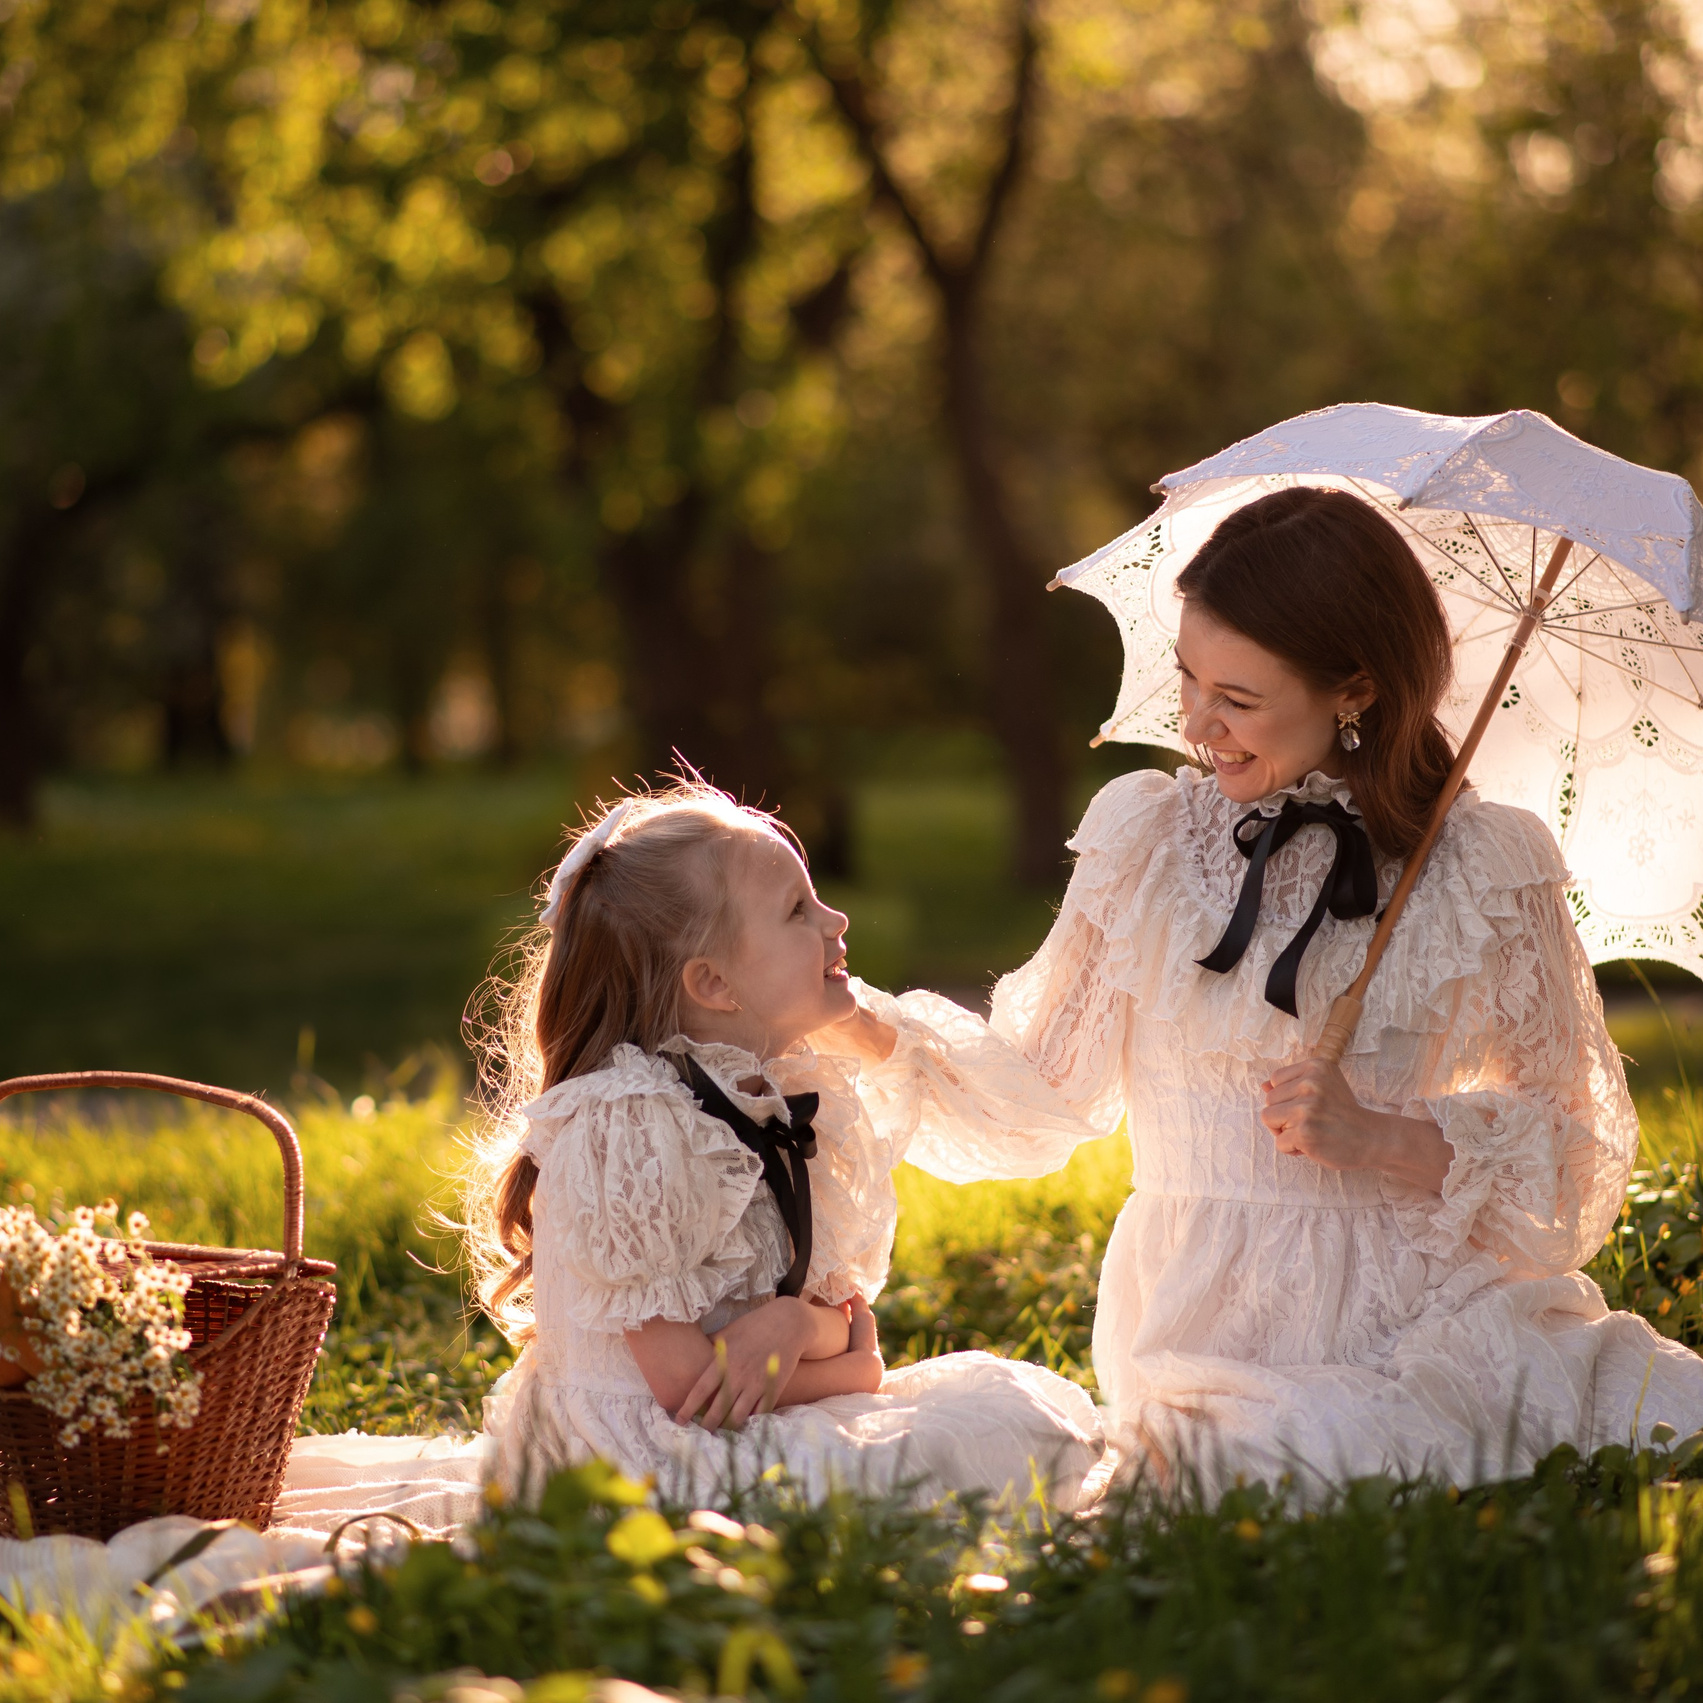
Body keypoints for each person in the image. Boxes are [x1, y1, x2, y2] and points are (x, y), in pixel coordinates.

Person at [925, 485, 1703, 1498]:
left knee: (1639, 1415)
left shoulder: (1480, 860)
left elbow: (1574, 1155)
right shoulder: (1147, 837)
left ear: (1354, 690)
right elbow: (1040, 1088)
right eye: (1188, 677)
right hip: (1207, 1327)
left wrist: (1382, 1136)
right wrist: (861, 1032)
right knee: (1272, 1469)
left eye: (1237, 698)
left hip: (1420, 1311)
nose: (1197, 722)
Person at [455, 781, 1104, 1511]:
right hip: (638, 1453)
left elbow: (839, 1318)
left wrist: (795, 1324)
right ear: (714, 983)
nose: (837, 919)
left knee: (1020, 1418)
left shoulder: (780, 1092)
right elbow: (688, 1386)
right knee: (954, 1455)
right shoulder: (627, 1126)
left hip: (746, 1411)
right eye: (798, 910)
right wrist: (849, 1373)